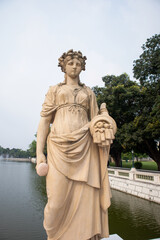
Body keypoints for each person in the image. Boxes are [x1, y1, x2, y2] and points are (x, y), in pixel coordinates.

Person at [36, 49, 117, 240]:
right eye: (71, 63)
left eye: (78, 64)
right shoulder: (54, 90)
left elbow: (96, 121)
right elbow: (44, 122)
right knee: (55, 202)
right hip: (57, 148)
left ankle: (85, 235)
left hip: (85, 147)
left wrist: (104, 117)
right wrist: (40, 152)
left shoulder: (88, 92)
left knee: (87, 196)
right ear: (63, 66)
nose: (74, 67)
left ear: (83, 67)